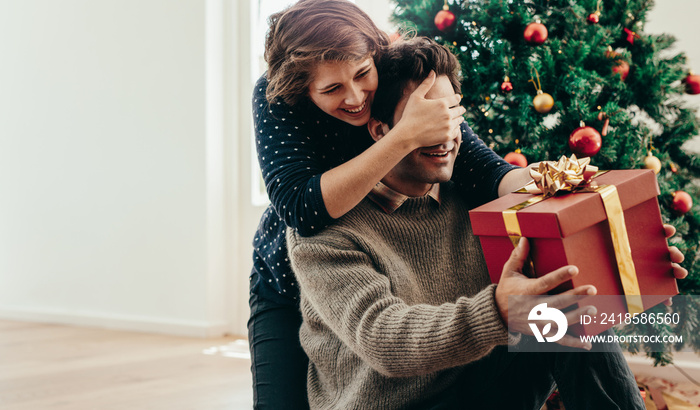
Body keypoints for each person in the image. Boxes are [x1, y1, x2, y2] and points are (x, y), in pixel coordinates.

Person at [287, 37, 687, 409]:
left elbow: (562, 280)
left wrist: (632, 264)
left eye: (451, 116)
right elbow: (385, 339)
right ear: (382, 131)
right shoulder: (323, 232)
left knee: (570, 313)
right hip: (396, 402)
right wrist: (498, 311)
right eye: (425, 122)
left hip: (478, 384)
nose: (445, 135)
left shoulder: (475, 195)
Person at [249, 1, 536, 408]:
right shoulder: (277, 94)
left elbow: (486, 172)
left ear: (375, 54)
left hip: (373, 247)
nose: (355, 97)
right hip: (291, 273)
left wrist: (559, 185)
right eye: (331, 89)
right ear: (303, 89)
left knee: (566, 326)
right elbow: (299, 207)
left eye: (363, 74)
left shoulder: (401, 73)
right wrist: (403, 136)